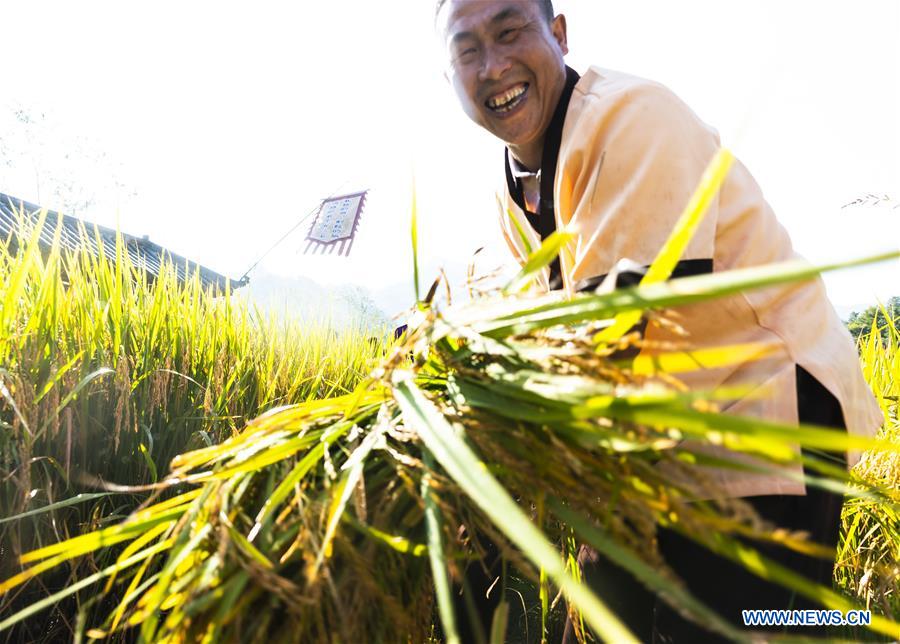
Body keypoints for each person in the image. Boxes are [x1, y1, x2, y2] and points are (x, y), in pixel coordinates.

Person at [434, 0, 884, 641]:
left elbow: (608, 331)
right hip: (658, 448)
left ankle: (836, 625)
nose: (494, 65)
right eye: (467, 50)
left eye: (510, 32)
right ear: (447, 75)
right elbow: (533, 318)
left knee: (732, 624)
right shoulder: (513, 186)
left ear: (559, 35)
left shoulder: (630, 117)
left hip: (767, 406)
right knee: (608, 619)